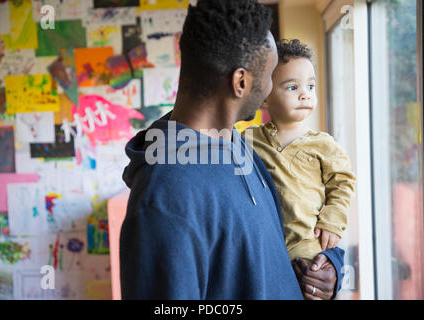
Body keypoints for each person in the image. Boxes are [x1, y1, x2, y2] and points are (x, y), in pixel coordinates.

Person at [120, 0, 344, 300]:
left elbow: (269, 252)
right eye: (270, 76)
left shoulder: (243, 148)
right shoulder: (165, 198)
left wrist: (327, 269)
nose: (268, 90)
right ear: (240, 81)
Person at [243, 39, 356, 266]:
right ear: (265, 96)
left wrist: (332, 221)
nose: (305, 94)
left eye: (310, 87)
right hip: (264, 246)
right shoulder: (249, 139)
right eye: (293, 87)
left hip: (307, 244)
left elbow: (343, 183)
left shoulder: (324, 145)